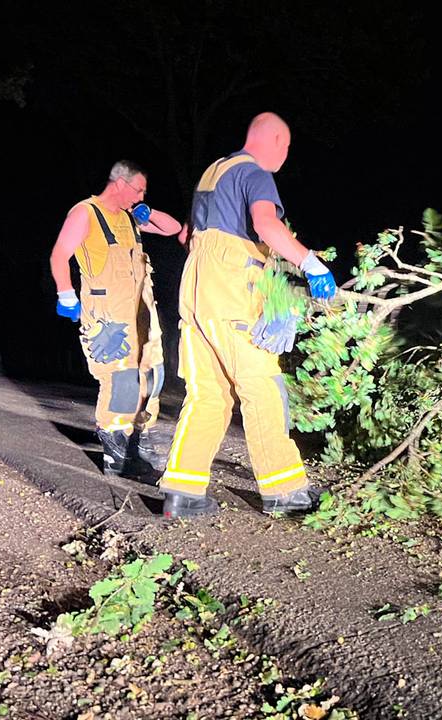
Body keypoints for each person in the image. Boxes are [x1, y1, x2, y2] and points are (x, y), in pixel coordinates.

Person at [159, 112, 338, 519]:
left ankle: (182, 492)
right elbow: (266, 224)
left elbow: (187, 236)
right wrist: (311, 265)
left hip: (196, 291)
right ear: (274, 141)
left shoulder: (213, 173)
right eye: (286, 147)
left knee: (208, 394)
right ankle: (285, 491)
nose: (285, 156)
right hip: (232, 289)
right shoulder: (255, 173)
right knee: (262, 386)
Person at [49, 160, 182, 476]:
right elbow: (59, 255)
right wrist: (65, 293)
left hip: (141, 310)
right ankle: (116, 450)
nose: (141, 197)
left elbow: (173, 228)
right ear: (121, 183)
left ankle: (141, 439)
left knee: (153, 373)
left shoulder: (129, 217)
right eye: (139, 190)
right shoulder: (86, 213)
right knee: (121, 380)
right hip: (107, 313)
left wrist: (148, 212)